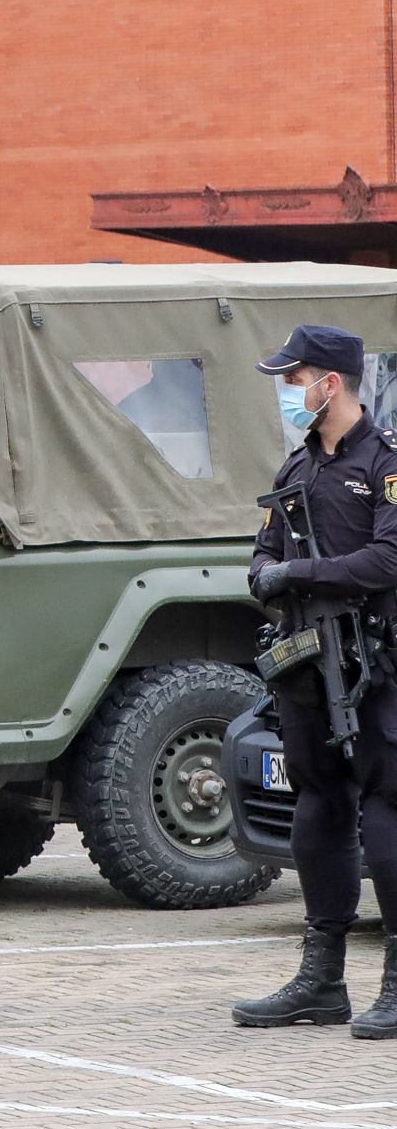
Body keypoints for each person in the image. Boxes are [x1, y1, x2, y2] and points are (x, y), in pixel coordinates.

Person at [231, 323, 397, 1039]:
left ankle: (395, 983)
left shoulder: (386, 464)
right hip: (307, 666)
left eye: (294, 378)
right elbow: (261, 556)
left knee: (387, 816)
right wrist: (270, 576)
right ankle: (322, 979)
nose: (287, 391)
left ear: (331, 382)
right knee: (317, 809)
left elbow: (387, 561)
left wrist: (296, 573)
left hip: (376, 665)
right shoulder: (295, 470)